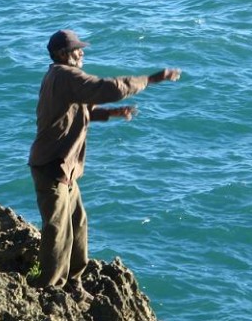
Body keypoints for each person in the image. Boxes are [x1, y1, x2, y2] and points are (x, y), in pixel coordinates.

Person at [28, 29, 181, 302]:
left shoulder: (57, 76)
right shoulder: (65, 75)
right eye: (77, 49)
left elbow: (74, 112)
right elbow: (108, 88)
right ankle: (47, 288)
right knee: (57, 231)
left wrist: (109, 114)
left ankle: (73, 281)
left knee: (78, 222)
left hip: (65, 169)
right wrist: (153, 78)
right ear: (63, 54)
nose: (82, 52)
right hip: (53, 167)